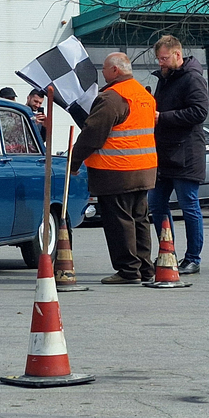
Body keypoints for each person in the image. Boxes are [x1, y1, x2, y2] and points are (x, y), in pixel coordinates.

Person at [70, 52, 157, 284]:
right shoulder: (143, 95)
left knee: (120, 222)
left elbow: (92, 134)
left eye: (105, 69)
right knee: (140, 220)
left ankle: (128, 270)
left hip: (116, 170)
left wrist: (74, 161)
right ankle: (145, 268)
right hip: (144, 169)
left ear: (115, 70)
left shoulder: (112, 98)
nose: (103, 74)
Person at [148, 35, 209, 275]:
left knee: (189, 205)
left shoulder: (192, 78)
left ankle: (193, 257)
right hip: (164, 153)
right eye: (158, 59)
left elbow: (199, 112)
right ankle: (167, 251)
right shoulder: (166, 78)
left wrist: (163, 117)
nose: (160, 63)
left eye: (164, 58)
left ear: (177, 54)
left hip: (186, 153)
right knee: (156, 204)